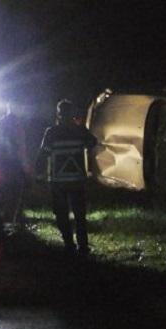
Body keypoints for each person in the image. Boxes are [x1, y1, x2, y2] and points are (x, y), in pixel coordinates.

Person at [38, 99, 98, 256]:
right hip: (77, 180)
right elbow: (93, 142)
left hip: (58, 182)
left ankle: (69, 244)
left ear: (58, 114)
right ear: (72, 114)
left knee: (61, 214)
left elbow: (43, 154)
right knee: (79, 215)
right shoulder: (79, 130)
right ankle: (83, 246)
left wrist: (38, 175)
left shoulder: (51, 132)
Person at [0, 102, 31, 234]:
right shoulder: (18, 125)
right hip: (14, 166)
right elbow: (21, 149)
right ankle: (9, 226)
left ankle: (1, 224)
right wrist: (26, 168)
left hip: (1, 166)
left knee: (3, 196)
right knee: (14, 197)